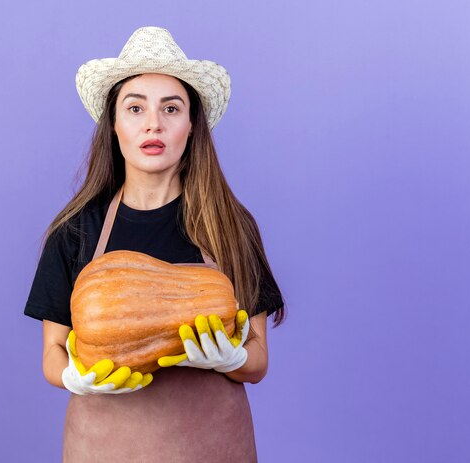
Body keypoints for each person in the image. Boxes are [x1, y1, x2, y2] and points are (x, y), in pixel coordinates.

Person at [24, 26, 286, 462]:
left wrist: (229, 358)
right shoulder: (74, 231)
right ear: (114, 125)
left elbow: (258, 361)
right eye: (135, 108)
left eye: (171, 108)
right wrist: (74, 377)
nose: (153, 124)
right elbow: (52, 354)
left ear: (190, 125)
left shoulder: (232, 227)